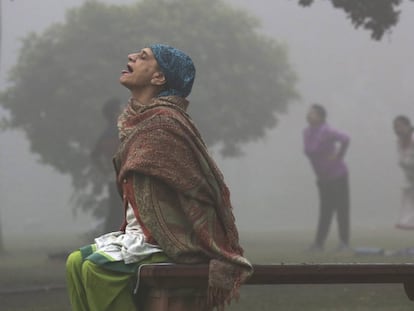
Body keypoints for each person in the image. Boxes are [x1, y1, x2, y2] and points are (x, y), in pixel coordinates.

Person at [65, 44, 252, 311]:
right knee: (75, 262)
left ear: (159, 78)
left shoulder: (164, 124)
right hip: (138, 236)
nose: (131, 56)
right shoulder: (141, 122)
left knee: (98, 270)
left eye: (143, 57)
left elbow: (199, 186)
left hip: (168, 242)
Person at [303, 104, 351, 252]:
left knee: (341, 209)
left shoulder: (327, 130)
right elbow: (311, 151)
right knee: (325, 210)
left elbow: (346, 138)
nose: (309, 115)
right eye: (309, 113)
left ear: (321, 117)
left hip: (337, 175)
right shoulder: (307, 132)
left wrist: (339, 156)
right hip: (323, 178)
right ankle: (318, 244)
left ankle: (344, 243)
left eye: (313, 113)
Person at [90, 97, 123, 233]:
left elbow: (94, 155)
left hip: (113, 178)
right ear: (116, 113)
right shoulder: (120, 133)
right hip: (125, 179)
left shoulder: (105, 134)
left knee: (115, 214)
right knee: (124, 214)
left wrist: (105, 171)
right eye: (122, 108)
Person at [393, 115, 414, 230]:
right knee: (407, 195)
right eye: (395, 127)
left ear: (408, 126)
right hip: (410, 177)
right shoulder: (399, 142)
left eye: (399, 126)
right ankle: (407, 223)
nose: (397, 130)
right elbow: (403, 161)